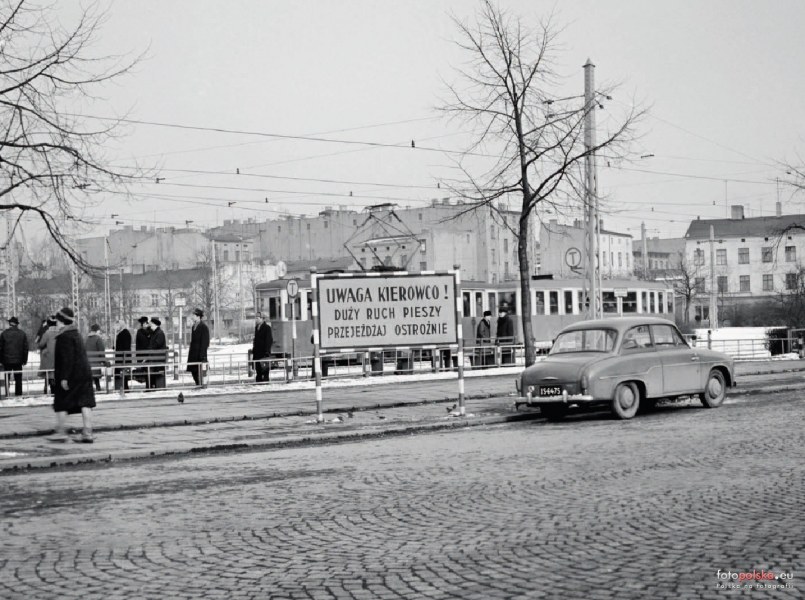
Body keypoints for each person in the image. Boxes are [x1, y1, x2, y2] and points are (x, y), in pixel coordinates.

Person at [49, 307, 96, 443]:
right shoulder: (76, 334)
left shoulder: (64, 337)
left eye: (57, 321)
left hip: (72, 375)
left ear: (62, 321)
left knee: (61, 402)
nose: (56, 323)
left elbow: (67, 359)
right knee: (86, 403)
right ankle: (87, 433)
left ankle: (61, 432)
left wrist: (64, 377)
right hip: (84, 373)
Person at [0, 316, 29, 396]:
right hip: (18, 360)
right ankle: (18, 394)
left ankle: (6, 394)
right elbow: (25, 348)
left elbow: (0, 348)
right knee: (18, 379)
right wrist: (24, 360)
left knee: (6, 378)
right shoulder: (22, 334)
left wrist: (1, 360)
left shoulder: (4, 334)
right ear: (17, 324)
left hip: (6, 360)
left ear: (10, 324)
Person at [186, 308, 210, 386]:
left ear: (198, 316)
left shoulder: (203, 327)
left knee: (200, 370)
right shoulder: (194, 326)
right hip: (193, 353)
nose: (192, 317)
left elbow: (205, 342)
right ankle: (198, 384)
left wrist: (202, 354)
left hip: (199, 353)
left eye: (194, 315)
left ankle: (201, 384)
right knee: (193, 370)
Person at [37, 316, 58, 394]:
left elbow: (41, 344)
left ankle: (49, 386)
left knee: (49, 372)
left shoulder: (47, 333)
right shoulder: (60, 332)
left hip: (49, 358)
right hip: (59, 358)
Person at [85, 324, 107, 392]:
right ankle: (98, 387)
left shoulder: (86, 338)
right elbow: (101, 352)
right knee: (95, 373)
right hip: (96, 364)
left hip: (87, 364)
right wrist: (104, 361)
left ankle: (89, 388)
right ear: (97, 330)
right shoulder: (98, 339)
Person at [252, 312, 273, 382]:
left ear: (262, 319)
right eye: (255, 318)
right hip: (257, 353)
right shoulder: (256, 328)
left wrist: (267, 351)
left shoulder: (267, 328)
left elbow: (269, 340)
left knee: (265, 370)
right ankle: (259, 381)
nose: (256, 320)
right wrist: (254, 349)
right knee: (258, 370)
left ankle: (265, 382)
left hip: (264, 353)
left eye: (257, 318)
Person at [147, 317, 167, 389]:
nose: (150, 326)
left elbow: (156, 345)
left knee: (148, 367)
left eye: (151, 324)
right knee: (147, 367)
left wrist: (150, 349)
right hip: (155, 357)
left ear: (155, 325)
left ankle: (151, 386)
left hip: (157, 358)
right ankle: (150, 386)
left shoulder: (159, 333)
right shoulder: (155, 332)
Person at [114, 319, 132, 391]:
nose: (116, 327)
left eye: (117, 325)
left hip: (123, 357)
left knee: (122, 370)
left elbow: (124, 346)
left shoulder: (123, 333)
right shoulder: (123, 333)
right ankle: (123, 386)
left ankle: (124, 387)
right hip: (123, 357)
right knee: (121, 371)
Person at [134, 316, 151, 385]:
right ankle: (148, 383)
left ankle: (146, 382)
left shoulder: (139, 332)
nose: (146, 324)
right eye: (145, 323)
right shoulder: (149, 332)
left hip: (141, 355)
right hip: (146, 355)